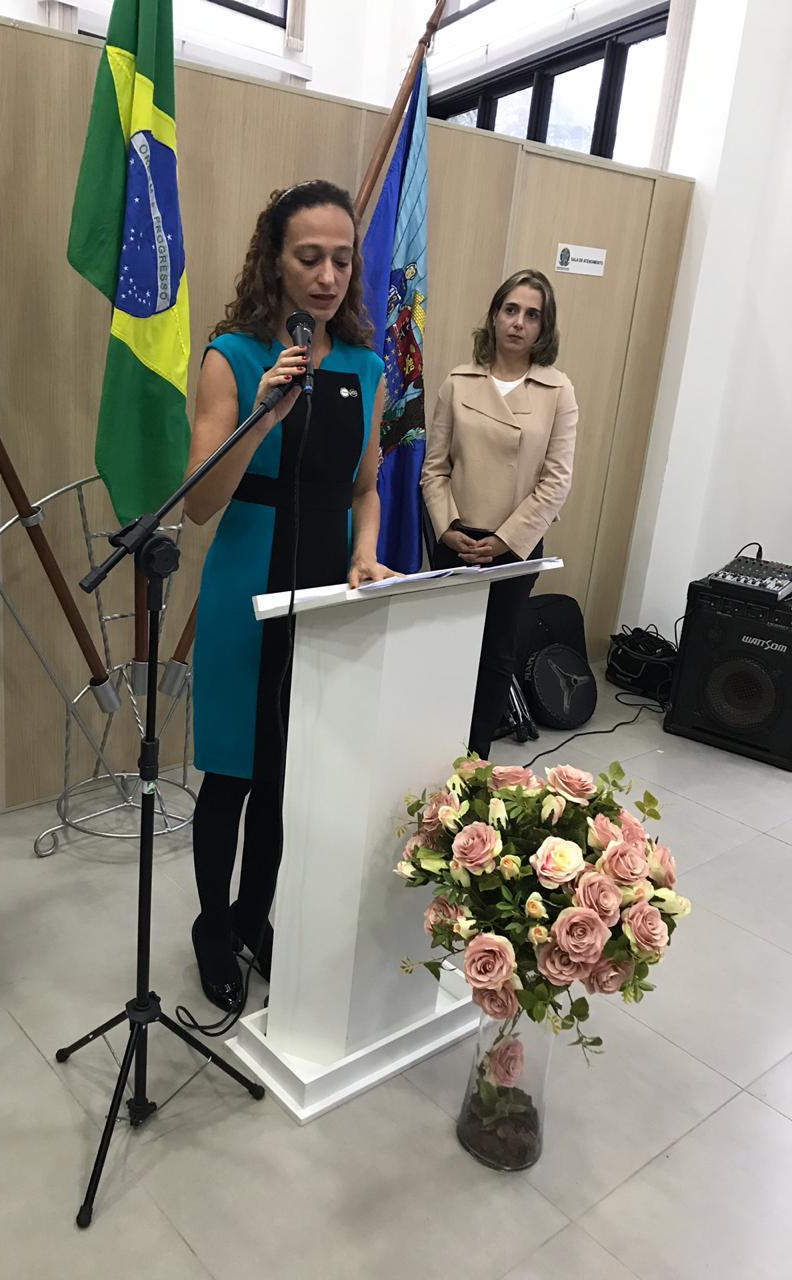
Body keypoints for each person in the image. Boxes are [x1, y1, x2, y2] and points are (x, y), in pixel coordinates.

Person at [184, 179, 395, 1011]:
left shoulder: (367, 367)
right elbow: (201, 502)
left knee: (285, 776)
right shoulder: (232, 356)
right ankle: (211, 926)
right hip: (245, 583)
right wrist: (265, 414)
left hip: (325, 588)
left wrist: (367, 553)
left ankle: (253, 917)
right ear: (274, 261)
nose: (328, 275)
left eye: (342, 259)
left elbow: (365, 489)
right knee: (232, 774)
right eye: (309, 257)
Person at [421, 268, 578, 760]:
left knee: (495, 654)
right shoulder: (458, 381)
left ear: (544, 327)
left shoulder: (558, 391)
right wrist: (448, 529)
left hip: (514, 546)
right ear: (493, 315)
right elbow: (434, 469)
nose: (518, 323)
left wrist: (506, 540)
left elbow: (556, 480)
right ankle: (428, 755)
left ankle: (474, 761)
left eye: (532, 315)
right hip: (456, 540)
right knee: (446, 651)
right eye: (510, 310)